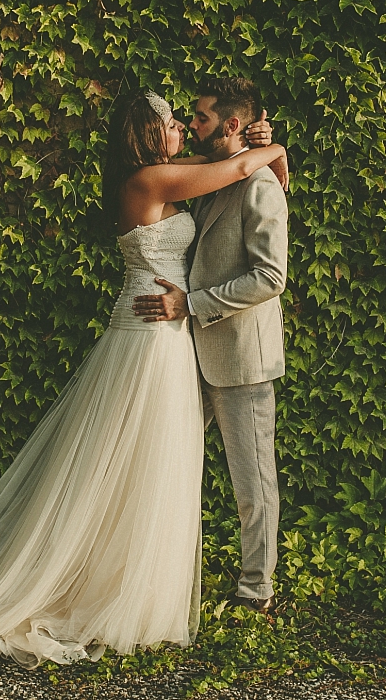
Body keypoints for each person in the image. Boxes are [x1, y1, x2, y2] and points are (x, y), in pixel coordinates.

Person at [0, 90, 288, 668]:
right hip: (153, 333)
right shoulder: (150, 182)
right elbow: (233, 165)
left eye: (190, 119)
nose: (184, 126)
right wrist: (274, 144)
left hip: (181, 336)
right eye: (174, 122)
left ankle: (165, 582)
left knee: (159, 463)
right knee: (136, 461)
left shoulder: (176, 175)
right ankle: (102, 585)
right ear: (150, 137)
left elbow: (240, 180)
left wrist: (270, 153)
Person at [132, 77, 288, 614]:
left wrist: (192, 304)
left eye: (199, 118)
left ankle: (256, 591)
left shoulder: (260, 185)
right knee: (167, 468)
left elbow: (270, 277)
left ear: (233, 125)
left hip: (240, 355)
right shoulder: (200, 175)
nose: (191, 124)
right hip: (180, 353)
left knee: (252, 483)